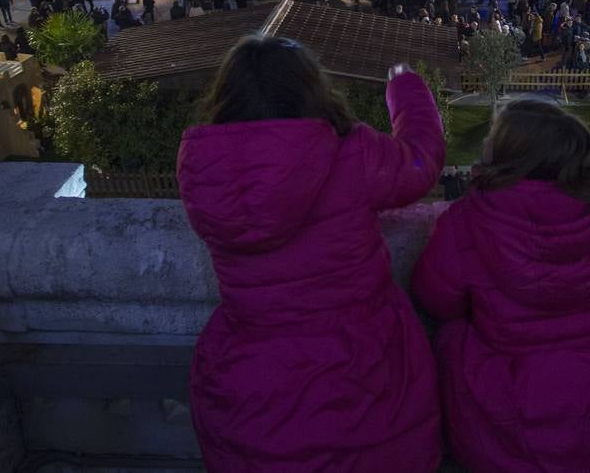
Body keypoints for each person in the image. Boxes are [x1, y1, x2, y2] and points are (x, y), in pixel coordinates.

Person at [176, 38, 445, 470]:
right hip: (363, 367)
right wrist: (405, 88)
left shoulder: (202, 170)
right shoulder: (349, 153)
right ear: (311, 89)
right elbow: (421, 163)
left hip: (254, 377)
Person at [411, 100, 590, 473]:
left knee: (453, 336)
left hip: (506, 399)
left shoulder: (467, 220)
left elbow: (435, 299)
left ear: (510, 155)